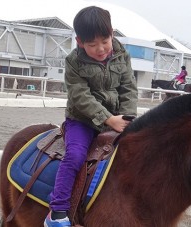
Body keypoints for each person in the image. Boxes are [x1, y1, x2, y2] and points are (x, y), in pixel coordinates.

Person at [44, 6, 138, 227]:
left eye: (104, 41)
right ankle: (57, 210)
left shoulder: (122, 55)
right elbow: (80, 96)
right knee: (75, 155)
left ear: (111, 33)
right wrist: (108, 119)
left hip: (117, 118)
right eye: (92, 44)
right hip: (83, 120)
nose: (100, 49)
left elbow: (129, 88)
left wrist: (127, 118)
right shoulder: (74, 62)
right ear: (79, 42)